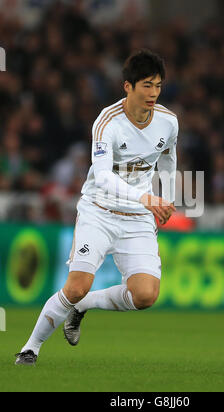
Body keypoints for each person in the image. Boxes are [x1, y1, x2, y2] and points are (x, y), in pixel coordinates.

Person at [15, 48, 178, 365]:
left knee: (145, 295)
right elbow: (102, 177)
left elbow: (170, 157)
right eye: (146, 85)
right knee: (75, 287)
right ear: (127, 86)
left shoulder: (169, 122)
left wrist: (166, 196)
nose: (153, 93)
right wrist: (145, 197)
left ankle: (84, 306)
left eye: (158, 85)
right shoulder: (108, 122)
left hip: (138, 220)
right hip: (99, 212)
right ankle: (30, 348)